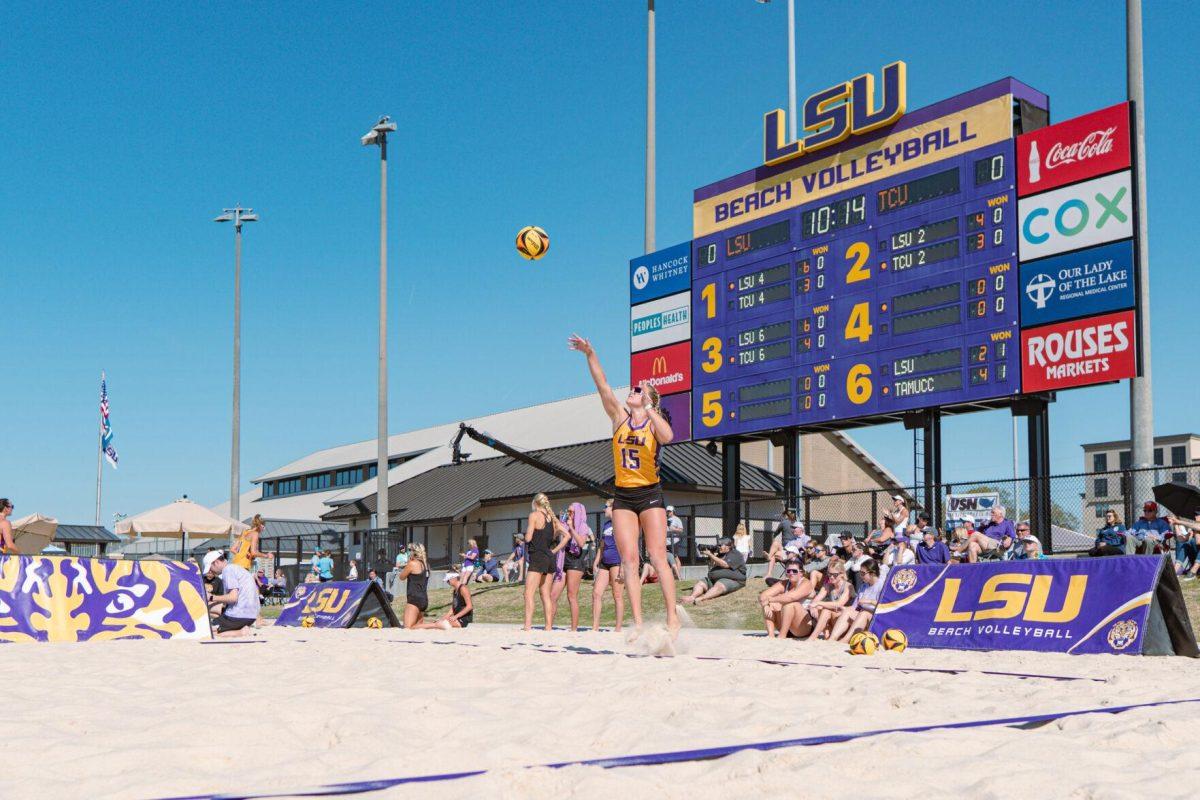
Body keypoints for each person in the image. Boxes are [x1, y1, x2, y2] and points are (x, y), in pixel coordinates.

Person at [569, 333, 679, 633]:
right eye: (633, 389)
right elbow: (602, 385)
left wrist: (650, 404)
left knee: (657, 556)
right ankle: (639, 623)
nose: (632, 391)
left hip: (650, 494)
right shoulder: (619, 417)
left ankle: (672, 616)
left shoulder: (654, 423)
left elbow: (668, 437)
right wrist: (590, 353)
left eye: (638, 390)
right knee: (629, 561)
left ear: (648, 399)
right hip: (624, 496)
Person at [524, 493, 568, 631]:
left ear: (535, 503)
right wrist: (554, 551)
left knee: (528, 593)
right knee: (545, 594)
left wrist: (526, 534)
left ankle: (527, 626)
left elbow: (528, 538)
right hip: (549, 557)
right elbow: (567, 536)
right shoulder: (552, 518)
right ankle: (548, 626)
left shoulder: (534, 515)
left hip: (537, 556)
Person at [549, 502, 591, 631]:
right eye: (568, 511)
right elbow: (554, 536)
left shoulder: (583, 526)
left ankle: (574, 628)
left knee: (571, 596)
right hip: (563, 560)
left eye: (571, 512)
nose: (569, 514)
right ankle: (548, 625)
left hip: (575, 561)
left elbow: (581, 542)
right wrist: (560, 525)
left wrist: (572, 528)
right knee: (553, 595)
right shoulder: (565, 523)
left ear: (578, 513)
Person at [203, 550, 261, 637]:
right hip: (251, 616)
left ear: (216, 562)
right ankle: (239, 629)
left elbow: (233, 598)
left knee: (206, 631)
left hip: (239, 616)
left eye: (210, 568)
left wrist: (211, 597)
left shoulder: (227, 570)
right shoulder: (236, 568)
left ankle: (240, 632)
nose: (210, 571)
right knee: (210, 606)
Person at [591, 498, 626, 632]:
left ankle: (618, 628)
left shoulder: (621, 523)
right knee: (596, 593)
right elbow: (602, 545)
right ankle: (595, 627)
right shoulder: (606, 524)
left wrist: (623, 567)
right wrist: (596, 561)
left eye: (605, 506)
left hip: (617, 562)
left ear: (613, 508)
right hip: (605, 563)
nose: (603, 509)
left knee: (617, 595)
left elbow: (624, 546)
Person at [680, 536, 746, 605]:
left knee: (719, 585)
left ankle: (702, 598)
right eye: (718, 545)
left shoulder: (735, 554)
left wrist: (710, 555)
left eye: (720, 545)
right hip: (714, 579)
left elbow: (725, 564)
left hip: (732, 580)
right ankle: (692, 597)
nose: (719, 547)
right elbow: (712, 566)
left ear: (728, 546)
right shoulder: (720, 554)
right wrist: (712, 555)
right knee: (701, 583)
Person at [829, 559, 882, 642]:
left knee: (864, 613)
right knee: (848, 610)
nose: (861, 576)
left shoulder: (882, 585)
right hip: (862, 614)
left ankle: (845, 640)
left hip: (877, 618)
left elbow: (885, 606)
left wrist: (869, 601)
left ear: (872, 573)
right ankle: (832, 638)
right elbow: (855, 606)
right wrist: (845, 609)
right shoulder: (864, 586)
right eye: (860, 573)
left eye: (863, 573)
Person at [760, 558, 815, 638]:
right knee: (770, 604)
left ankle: (782, 636)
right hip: (786, 626)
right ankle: (771, 635)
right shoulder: (785, 583)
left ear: (801, 573)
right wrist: (766, 605)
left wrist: (769, 599)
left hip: (802, 627)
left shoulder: (806, 583)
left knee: (790, 604)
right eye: (788, 571)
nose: (791, 573)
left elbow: (792, 597)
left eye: (794, 571)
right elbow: (763, 595)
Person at [803, 559, 853, 641]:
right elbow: (816, 599)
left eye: (835, 574)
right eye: (829, 574)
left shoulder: (848, 586)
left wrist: (818, 603)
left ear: (842, 574)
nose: (831, 577)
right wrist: (813, 606)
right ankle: (824, 634)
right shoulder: (828, 585)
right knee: (819, 608)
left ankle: (816, 636)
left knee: (824, 609)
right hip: (834, 617)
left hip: (844, 622)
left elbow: (839, 604)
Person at [398, 543, 429, 628]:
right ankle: (436, 625)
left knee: (408, 627)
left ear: (413, 552)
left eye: (409, 550)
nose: (408, 552)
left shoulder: (412, 563)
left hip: (414, 598)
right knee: (418, 626)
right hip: (424, 599)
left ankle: (437, 625)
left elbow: (401, 577)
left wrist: (408, 562)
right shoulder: (426, 565)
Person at [766, 513, 805, 579]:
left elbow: (776, 532)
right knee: (775, 547)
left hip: (791, 551)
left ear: (786, 516)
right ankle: (769, 557)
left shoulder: (784, 523)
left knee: (775, 544)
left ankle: (769, 571)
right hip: (786, 549)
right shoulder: (798, 524)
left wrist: (774, 537)